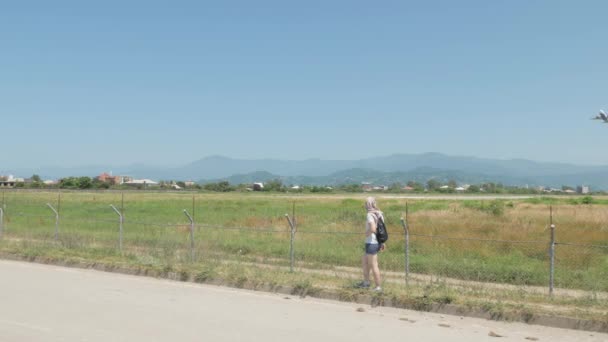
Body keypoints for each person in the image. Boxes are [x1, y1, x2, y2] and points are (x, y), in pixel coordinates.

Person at [356, 196, 385, 292]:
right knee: (365, 261)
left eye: (366, 203)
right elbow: (382, 230)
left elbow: (373, 229)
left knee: (373, 265)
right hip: (376, 242)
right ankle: (366, 282)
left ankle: (378, 287)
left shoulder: (370, 215)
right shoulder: (379, 213)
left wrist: (366, 233)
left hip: (371, 243)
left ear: (369, 204)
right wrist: (382, 242)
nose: (364, 205)